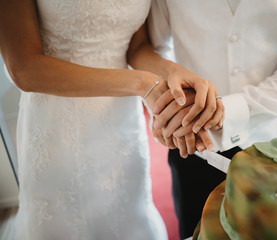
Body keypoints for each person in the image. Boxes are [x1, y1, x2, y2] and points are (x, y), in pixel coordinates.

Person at [0, 0, 222, 239]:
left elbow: (136, 47)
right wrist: (142, 83)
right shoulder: (138, 85)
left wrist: (171, 72)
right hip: (57, 125)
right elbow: (24, 68)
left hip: (121, 121)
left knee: (125, 214)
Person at [143, 0, 277, 238]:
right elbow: (151, 48)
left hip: (270, 143)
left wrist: (230, 110)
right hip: (192, 144)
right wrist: (168, 107)